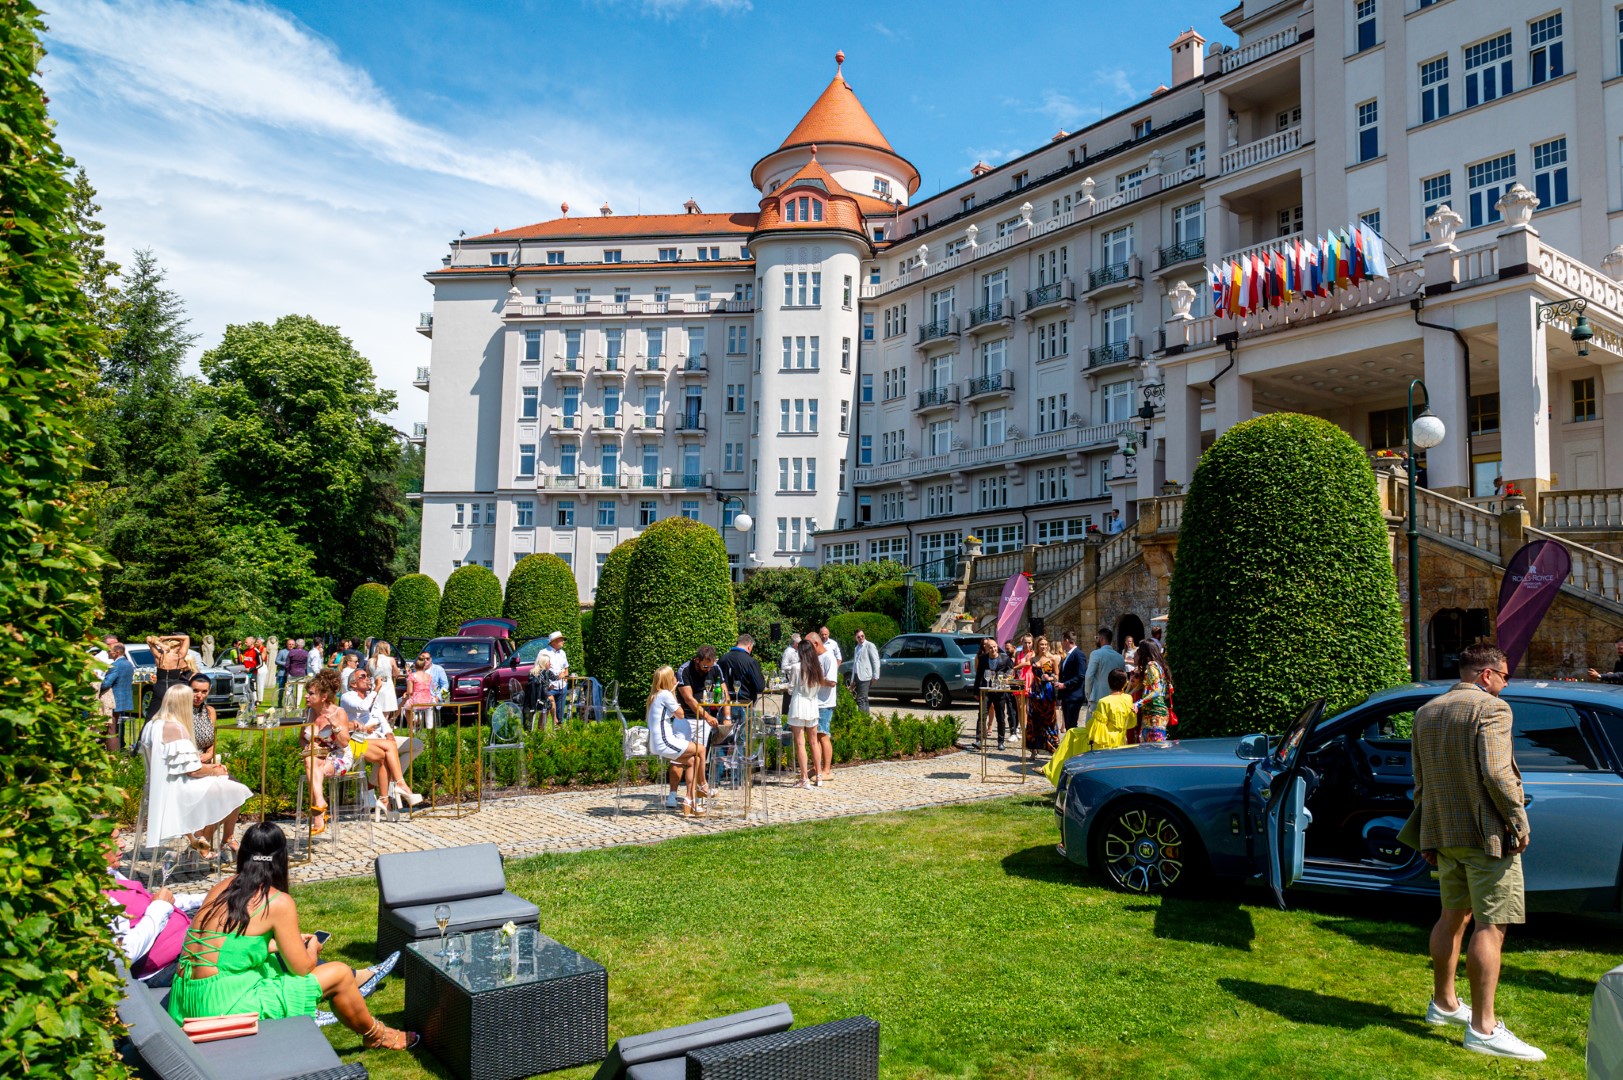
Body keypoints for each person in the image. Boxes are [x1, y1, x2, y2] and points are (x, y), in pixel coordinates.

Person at [167, 822, 416, 1051]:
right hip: (221, 1008)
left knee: (273, 964)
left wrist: (274, 945)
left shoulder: (221, 888)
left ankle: (363, 1022)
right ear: (281, 858)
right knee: (338, 973)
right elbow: (302, 968)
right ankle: (375, 1034)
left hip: (187, 998)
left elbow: (225, 948)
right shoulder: (276, 901)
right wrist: (312, 947)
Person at [1409, 643, 1542, 1062]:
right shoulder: (1492, 709)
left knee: (1452, 916)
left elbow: (1421, 781)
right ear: (1485, 675)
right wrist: (1518, 822)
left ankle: (1444, 1003)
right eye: (1504, 675)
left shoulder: (1426, 711)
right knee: (1491, 924)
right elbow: (1498, 773)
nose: (1506, 683)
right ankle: (1484, 1028)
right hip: (1487, 835)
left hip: (1444, 832)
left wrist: (1428, 835)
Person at [141, 684, 251, 859]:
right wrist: (215, 770)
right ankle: (205, 841)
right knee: (236, 790)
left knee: (227, 787)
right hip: (175, 789)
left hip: (161, 786)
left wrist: (213, 769)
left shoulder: (152, 724)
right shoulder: (175, 728)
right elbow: (192, 770)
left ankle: (202, 842)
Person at [105, 829, 191, 986]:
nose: (123, 844)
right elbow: (124, 953)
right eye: (114, 840)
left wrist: (208, 897)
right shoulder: (101, 898)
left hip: (187, 942)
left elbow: (158, 901)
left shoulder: (111, 875)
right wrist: (159, 907)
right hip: (166, 967)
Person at [340, 669, 423, 815]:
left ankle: (393, 781)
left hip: (380, 738)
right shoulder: (347, 697)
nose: (367, 679)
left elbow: (382, 720)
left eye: (368, 676)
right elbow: (363, 707)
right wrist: (377, 689)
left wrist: (389, 733)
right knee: (387, 753)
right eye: (363, 677)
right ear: (353, 684)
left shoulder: (372, 698)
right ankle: (394, 787)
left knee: (416, 745)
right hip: (361, 739)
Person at [645, 665, 707, 816]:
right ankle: (703, 785)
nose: (676, 679)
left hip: (657, 743)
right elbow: (680, 714)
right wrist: (673, 693)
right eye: (673, 676)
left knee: (693, 760)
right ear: (668, 680)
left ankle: (690, 800)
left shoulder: (655, 696)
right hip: (665, 741)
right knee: (701, 749)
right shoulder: (666, 694)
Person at [301, 669, 356, 837]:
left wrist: (335, 727)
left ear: (323, 697)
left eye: (311, 694)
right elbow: (301, 738)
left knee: (312, 766)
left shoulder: (338, 712)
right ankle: (320, 804)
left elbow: (345, 742)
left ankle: (318, 810)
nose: (306, 697)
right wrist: (306, 745)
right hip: (317, 756)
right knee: (311, 761)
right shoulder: (309, 712)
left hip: (339, 756)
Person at [785, 637, 826, 788]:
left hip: (799, 703)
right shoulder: (817, 667)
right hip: (812, 703)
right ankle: (819, 775)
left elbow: (790, 688)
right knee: (814, 741)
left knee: (801, 742)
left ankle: (804, 778)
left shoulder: (797, 667)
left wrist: (791, 688)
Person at [717, 634, 767, 729]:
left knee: (725, 738)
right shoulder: (750, 661)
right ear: (749, 646)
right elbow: (760, 687)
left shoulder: (722, 659)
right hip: (744, 705)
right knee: (743, 740)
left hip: (724, 705)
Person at [973, 637, 1012, 750]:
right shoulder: (983, 659)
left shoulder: (1004, 658)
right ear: (987, 648)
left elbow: (1010, 669)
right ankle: (979, 740)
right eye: (990, 647)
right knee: (982, 715)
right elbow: (979, 675)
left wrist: (1005, 676)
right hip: (986, 690)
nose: (993, 649)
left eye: (995, 647)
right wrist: (976, 691)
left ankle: (1000, 741)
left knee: (1000, 717)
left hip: (999, 691)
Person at [1084, 669, 1137, 751]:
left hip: (1107, 742)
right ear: (1125, 683)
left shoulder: (1104, 701)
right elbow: (1131, 723)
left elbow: (1098, 730)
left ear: (1108, 682)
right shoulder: (1128, 698)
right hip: (1122, 739)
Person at [1131, 642, 1171, 743]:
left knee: (1153, 750)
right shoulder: (1159, 666)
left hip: (1154, 715)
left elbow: (1156, 691)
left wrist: (1138, 704)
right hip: (1156, 714)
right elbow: (1169, 691)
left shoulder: (1151, 666)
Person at [145, 633, 192, 719]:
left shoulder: (159, 656)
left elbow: (148, 638)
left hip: (160, 687)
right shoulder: (179, 657)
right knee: (175, 716)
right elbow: (186, 638)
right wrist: (168, 637)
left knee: (152, 716)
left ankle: (147, 731)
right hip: (174, 688)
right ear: (177, 647)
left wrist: (160, 644)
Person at [812, 630, 839, 781]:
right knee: (814, 736)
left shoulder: (829, 657)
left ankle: (827, 770)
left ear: (816, 643)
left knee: (823, 735)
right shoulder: (817, 657)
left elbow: (832, 682)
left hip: (825, 703)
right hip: (815, 701)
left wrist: (816, 679)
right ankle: (817, 767)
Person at [1025, 636, 1059, 753]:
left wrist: (1050, 678)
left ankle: (1053, 747)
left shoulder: (1052, 659)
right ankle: (1033, 749)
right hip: (1035, 692)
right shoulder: (1033, 659)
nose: (1043, 647)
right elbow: (1025, 665)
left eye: (1045, 644)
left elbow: (1057, 675)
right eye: (1041, 645)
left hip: (1047, 692)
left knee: (1049, 720)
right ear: (1037, 646)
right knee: (1033, 720)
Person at [100, 643, 136, 752]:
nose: (107, 652)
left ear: (117, 652)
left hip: (112, 700)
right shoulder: (129, 664)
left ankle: (114, 756)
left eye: (109, 650)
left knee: (111, 729)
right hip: (122, 700)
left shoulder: (116, 666)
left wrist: (96, 684)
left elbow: (107, 683)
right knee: (112, 728)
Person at [1084, 628, 1126, 711]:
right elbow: (1123, 678)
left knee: (1094, 723)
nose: (1096, 640)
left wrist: (1089, 695)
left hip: (1098, 698)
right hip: (1115, 699)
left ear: (1101, 638)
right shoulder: (1120, 657)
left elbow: (1089, 676)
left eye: (1097, 637)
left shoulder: (1096, 654)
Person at [1054, 631, 1088, 731]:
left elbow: (1081, 675)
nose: (1061, 643)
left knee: (1072, 726)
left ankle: (1074, 745)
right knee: (1069, 726)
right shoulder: (1068, 655)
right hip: (1067, 696)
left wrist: (1064, 685)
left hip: (1074, 696)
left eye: (1062, 641)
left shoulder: (1078, 655)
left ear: (1067, 640)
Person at [188, 673, 218, 764]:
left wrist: (209, 754)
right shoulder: (180, 711)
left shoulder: (210, 711)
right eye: (195, 690)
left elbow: (212, 741)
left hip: (205, 761)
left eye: (204, 691)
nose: (199, 695)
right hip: (186, 762)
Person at [850, 629, 881, 712]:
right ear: (855, 638)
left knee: (860, 699)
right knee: (864, 699)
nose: (861, 638)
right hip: (857, 676)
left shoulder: (869, 645)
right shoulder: (856, 648)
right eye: (858, 637)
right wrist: (852, 680)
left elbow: (876, 660)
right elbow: (855, 665)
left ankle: (861, 720)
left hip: (865, 676)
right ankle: (866, 720)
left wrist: (876, 675)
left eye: (862, 636)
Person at [369, 642, 400, 721]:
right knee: (386, 711)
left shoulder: (370, 661)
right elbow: (396, 674)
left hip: (375, 685)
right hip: (387, 685)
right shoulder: (391, 660)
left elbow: (368, 674)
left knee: (375, 709)